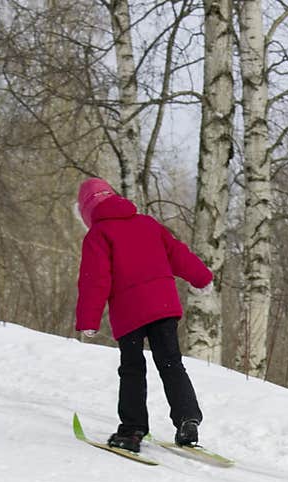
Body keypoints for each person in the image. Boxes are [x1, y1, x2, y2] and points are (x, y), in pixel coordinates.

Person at [74, 177, 214, 454]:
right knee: (171, 363)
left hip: (130, 313)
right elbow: (178, 254)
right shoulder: (148, 224)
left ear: (87, 211)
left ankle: (133, 430)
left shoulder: (99, 235)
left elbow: (95, 280)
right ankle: (187, 420)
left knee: (133, 369)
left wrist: (88, 321)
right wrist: (202, 277)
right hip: (163, 307)